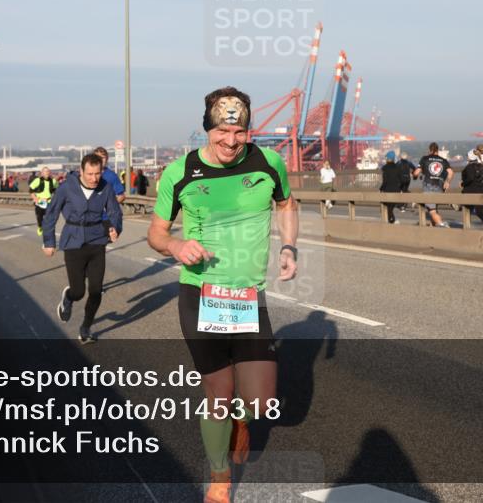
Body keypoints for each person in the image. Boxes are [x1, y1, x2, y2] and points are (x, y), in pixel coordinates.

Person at [147, 86, 298, 503]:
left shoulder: (268, 163)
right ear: (207, 130)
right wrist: (176, 245)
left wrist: (289, 246)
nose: (231, 141)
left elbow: (287, 204)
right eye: (222, 132)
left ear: (249, 131)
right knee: (218, 394)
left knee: (262, 403)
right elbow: (155, 233)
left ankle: (239, 419)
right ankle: (219, 477)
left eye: (239, 133)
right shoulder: (180, 173)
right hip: (200, 294)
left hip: (247, 297)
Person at [42, 154, 122, 344]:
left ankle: (86, 328)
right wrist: (49, 241)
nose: (94, 178)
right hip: (73, 241)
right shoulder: (67, 187)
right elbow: (51, 213)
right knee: (78, 291)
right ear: (81, 171)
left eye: (97, 173)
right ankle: (69, 298)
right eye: (90, 174)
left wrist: (115, 228)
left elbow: (114, 212)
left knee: (96, 290)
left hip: (97, 241)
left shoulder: (105, 187)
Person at [413, 143, 453, 227]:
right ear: (437, 150)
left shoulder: (425, 158)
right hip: (440, 186)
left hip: (428, 186)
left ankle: (442, 225)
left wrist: (414, 176)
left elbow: (416, 172)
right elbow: (451, 172)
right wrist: (447, 182)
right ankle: (433, 228)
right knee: (434, 208)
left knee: (432, 211)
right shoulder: (443, 160)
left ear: (429, 150)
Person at [461, 151, 483, 230]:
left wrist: (463, 184)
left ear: (470, 157)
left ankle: (457, 206)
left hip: (471, 191)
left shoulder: (468, 167)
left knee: (465, 205)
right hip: (482, 190)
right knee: (479, 212)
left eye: (468, 156)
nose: (467, 157)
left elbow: (470, 179)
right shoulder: (481, 166)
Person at [29, 166, 58, 236]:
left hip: (49, 202)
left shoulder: (53, 181)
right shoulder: (37, 180)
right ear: (42, 173)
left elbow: (57, 190)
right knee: (39, 217)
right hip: (40, 202)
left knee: (49, 218)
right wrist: (35, 198)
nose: (47, 173)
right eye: (45, 171)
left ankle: (48, 231)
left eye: (48, 171)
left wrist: (55, 199)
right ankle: (40, 227)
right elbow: (31, 190)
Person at [378, 151, 404, 224]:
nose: (386, 159)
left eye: (386, 158)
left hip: (388, 190)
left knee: (388, 207)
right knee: (391, 207)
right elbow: (401, 179)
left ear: (388, 158)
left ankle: (392, 220)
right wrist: (400, 188)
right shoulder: (397, 167)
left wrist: (381, 189)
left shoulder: (385, 168)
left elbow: (385, 181)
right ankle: (391, 220)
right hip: (396, 190)